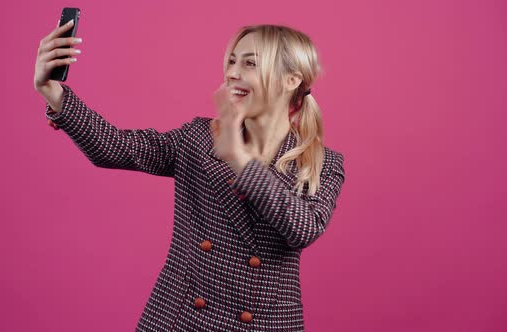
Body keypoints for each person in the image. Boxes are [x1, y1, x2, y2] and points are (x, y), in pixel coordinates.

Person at [34, 22, 346, 332]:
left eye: (250, 63)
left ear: (291, 79)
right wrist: (53, 92)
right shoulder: (198, 136)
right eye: (232, 61)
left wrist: (238, 158)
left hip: (264, 325)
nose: (233, 73)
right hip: (180, 320)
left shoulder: (322, 163)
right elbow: (118, 148)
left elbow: (303, 229)